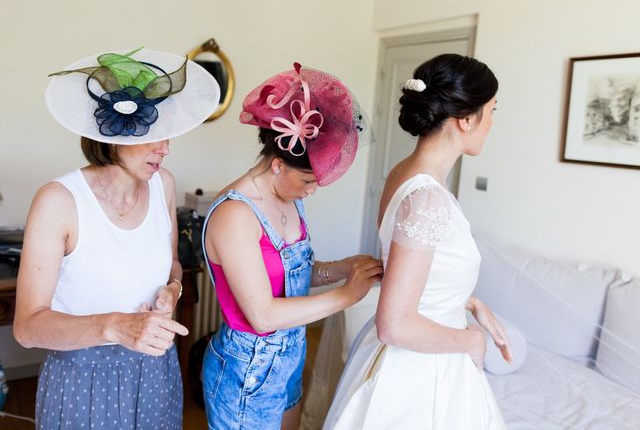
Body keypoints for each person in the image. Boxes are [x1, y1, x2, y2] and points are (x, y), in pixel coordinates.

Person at [13, 48, 220, 429]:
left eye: (168, 136)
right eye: (152, 135)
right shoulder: (59, 201)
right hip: (83, 380)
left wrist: (173, 289)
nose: (165, 148)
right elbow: (27, 328)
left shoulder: (164, 185)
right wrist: (115, 326)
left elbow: (172, 262)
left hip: (155, 372)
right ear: (112, 132)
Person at [323, 54, 513, 429]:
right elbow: (394, 324)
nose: (492, 122)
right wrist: (470, 341)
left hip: (420, 352)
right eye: (492, 110)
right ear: (467, 119)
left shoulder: (405, 174)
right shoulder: (427, 197)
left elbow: (417, 270)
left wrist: (469, 302)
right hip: (417, 370)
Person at [201, 63, 383, 430]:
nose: (312, 190)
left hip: (290, 355)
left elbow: (294, 275)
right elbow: (263, 315)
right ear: (278, 164)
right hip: (247, 371)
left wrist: (343, 268)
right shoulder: (235, 215)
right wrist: (348, 295)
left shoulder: (290, 198)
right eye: (308, 180)